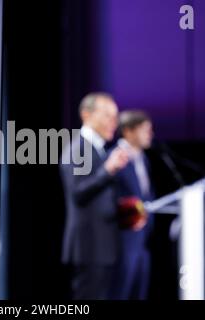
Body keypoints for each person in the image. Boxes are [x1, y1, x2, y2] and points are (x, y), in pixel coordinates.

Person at [60, 93, 138, 300]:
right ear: (86, 115)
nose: (114, 122)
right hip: (90, 246)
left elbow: (99, 198)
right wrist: (108, 169)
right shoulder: (78, 148)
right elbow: (78, 192)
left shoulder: (98, 149)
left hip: (103, 247)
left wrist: (125, 211)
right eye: (107, 116)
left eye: (115, 116)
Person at [113, 110, 155, 300]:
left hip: (143, 239)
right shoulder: (115, 158)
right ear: (128, 131)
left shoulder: (143, 159)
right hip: (123, 240)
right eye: (144, 130)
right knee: (120, 292)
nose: (150, 134)